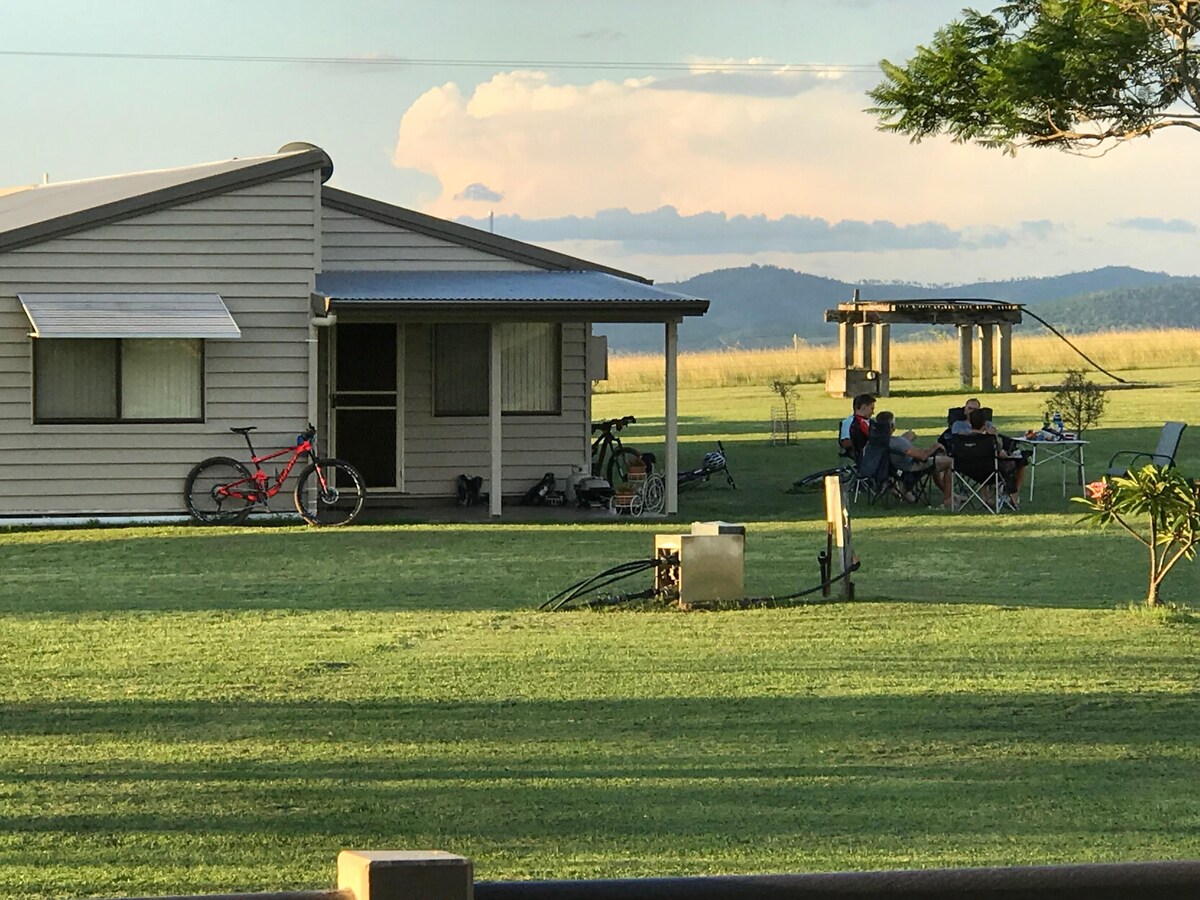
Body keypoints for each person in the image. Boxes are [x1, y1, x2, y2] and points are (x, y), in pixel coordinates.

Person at [875, 410, 955, 507]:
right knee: (950, 461)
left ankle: (951, 494)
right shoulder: (897, 442)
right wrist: (935, 447)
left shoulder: (876, 441)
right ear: (891, 425)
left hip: (895, 470)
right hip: (912, 468)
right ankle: (948, 499)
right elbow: (922, 456)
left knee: (935, 461)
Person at [966, 407, 1025, 509]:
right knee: (1019, 463)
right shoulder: (989, 439)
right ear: (984, 424)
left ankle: (986, 497)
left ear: (969, 423)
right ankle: (1013, 499)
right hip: (991, 471)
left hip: (969, 470)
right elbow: (1002, 455)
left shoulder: (962, 437)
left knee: (987, 465)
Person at [838, 393, 875, 460]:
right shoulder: (849, 422)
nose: (873, 412)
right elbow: (845, 443)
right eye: (871, 409)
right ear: (864, 407)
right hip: (860, 455)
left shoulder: (871, 422)